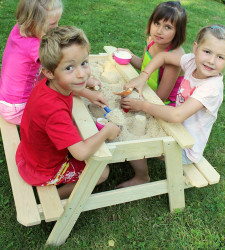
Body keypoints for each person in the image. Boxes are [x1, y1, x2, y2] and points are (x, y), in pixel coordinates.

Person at [119, 24, 225, 188]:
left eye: (220, 57)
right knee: (134, 121)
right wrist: (144, 76)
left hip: (186, 147)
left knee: (133, 138)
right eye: (207, 52)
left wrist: (143, 105)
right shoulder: (191, 61)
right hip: (173, 128)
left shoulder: (211, 88)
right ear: (195, 48)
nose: (211, 61)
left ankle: (142, 177)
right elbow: (163, 57)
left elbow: (176, 115)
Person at [15, 26, 120, 199]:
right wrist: (107, 131)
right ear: (49, 72)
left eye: (84, 63)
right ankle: (54, 197)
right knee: (102, 172)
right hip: (43, 169)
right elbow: (80, 152)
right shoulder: (54, 111)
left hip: (31, 153)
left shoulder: (48, 84)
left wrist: (88, 93)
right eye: (69, 68)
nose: (81, 74)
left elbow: (67, 87)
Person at [0, 0, 63, 125]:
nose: (57, 27)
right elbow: (61, 68)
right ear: (33, 24)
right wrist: (85, 88)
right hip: (17, 110)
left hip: (7, 101)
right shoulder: (35, 46)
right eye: (52, 24)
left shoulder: (19, 28)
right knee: (58, 108)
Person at [117, 1, 187, 106]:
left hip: (164, 104)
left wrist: (135, 95)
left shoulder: (174, 57)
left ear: (178, 32)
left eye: (167, 27)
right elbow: (144, 65)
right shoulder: (151, 41)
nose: (159, 31)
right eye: (157, 23)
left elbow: (161, 97)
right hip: (146, 89)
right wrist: (130, 56)